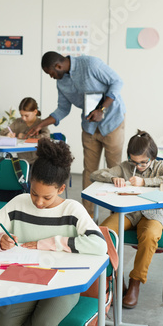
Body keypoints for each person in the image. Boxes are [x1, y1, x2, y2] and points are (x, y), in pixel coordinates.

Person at [0, 138, 107, 326]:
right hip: (25, 278)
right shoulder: (19, 202)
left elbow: (99, 245)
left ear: (61, 189)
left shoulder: (72, 210)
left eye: (47, 197)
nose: (38, 202)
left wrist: (51, 243)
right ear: (30, 183)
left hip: (63, 283)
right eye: (34, 193)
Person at [90, 130, 163, 309]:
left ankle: (135, 283)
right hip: (128, 213)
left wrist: (145, 182)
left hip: (153, 213)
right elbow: (95, 174)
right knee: (103, 234)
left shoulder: (160, 166)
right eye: (134, 161)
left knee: (149, 236)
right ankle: (116, 278)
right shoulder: (125, 167)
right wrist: (114, 177)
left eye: (143, 162)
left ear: (152, 157)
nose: (138, 166)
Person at [28, 51, 126, 215]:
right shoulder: (61, 83)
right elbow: (62, 109)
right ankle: (86, 217)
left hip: (112, 122)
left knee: (114, 170)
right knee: (90, 172)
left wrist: (102, 109)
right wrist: (41, 124)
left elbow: (117, 82)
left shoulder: (90, 64)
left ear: (58, 66)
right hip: (89, 126)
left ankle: (116, 216)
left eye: (51, 73)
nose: (51, 77)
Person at [0, 97, 51, 164]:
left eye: (26, 115)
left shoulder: (41, 123)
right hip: (22, 162)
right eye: (21, 115)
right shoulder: (18, 122)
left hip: (39, 162)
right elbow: (2, 132)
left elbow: (46, 137)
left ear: (35, 112)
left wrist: (25, 136)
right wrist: (7, 134)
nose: (23, 118)